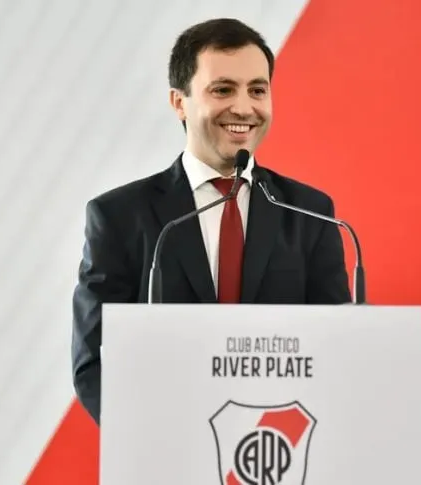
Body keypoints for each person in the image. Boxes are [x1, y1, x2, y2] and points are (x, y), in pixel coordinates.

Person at [71, 18, 351, 424]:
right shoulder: (119, 217)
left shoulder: (309, 212)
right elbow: (94, 362)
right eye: (223, 89)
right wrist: (150, 438)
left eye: (257, 90)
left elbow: (335, 351)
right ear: (179, 102)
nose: (244, 107)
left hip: (278, 445)